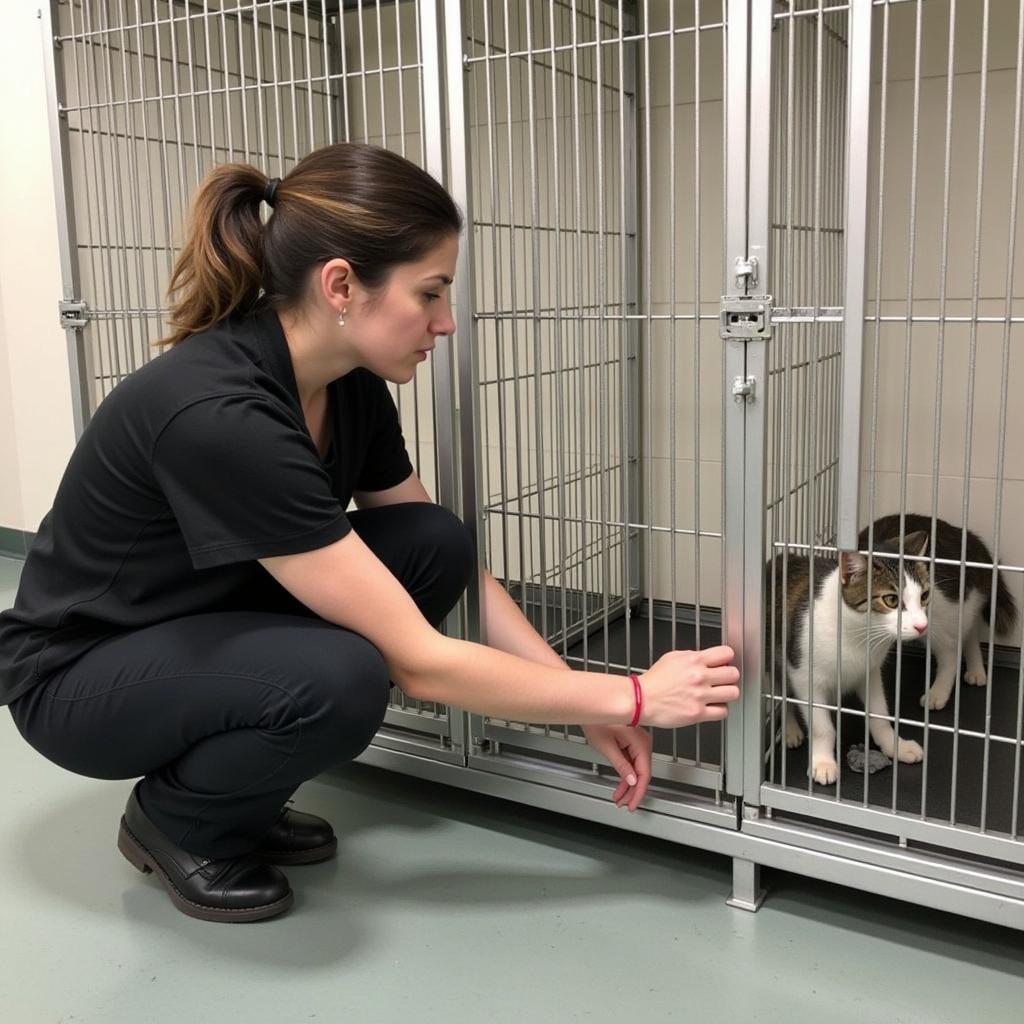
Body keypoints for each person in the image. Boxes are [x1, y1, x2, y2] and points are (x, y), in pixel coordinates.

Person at [0, 143, 740, 923]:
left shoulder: (344, 385)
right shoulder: (221, 415)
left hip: (188, 622)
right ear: (342, 286)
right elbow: (418, 665)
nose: (446, 323)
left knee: (433, 542)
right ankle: (183, 819)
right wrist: (631, 696)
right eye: (430, 293)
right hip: (78, 677)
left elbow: (440, 565)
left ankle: (236, 790)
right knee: (341, 678)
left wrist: (582, 700)